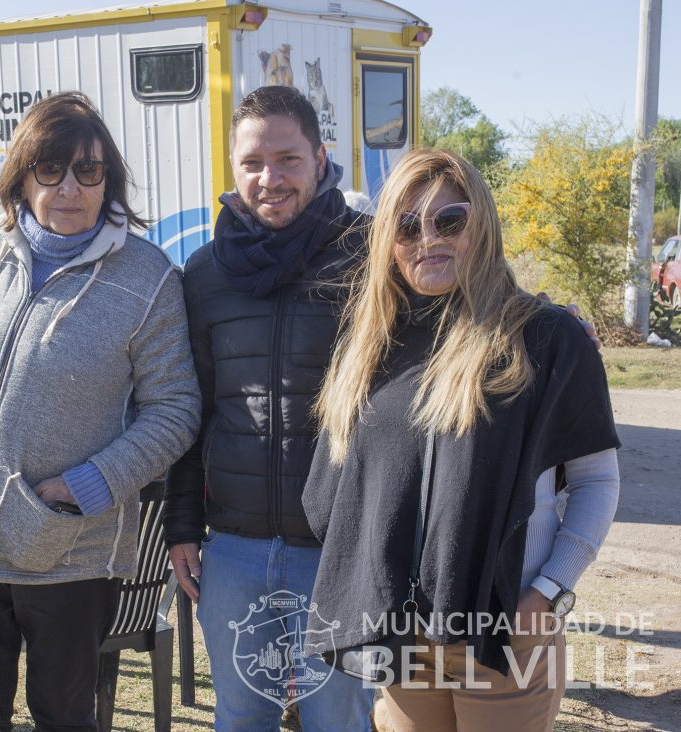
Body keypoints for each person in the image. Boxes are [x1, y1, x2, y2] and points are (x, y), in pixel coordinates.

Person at [0, 91, 201, 732]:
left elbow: (174, 410)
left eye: (88, 172)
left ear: (107, 180)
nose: (69, 188)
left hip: (66, 546)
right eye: (50, 169)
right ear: (22, 176)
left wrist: (87, 487)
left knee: (64, 719)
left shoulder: (147, 279)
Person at [304, 148, 620, 731]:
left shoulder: (545, 338)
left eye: (450, 219)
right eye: (406, 224)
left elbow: (596, 480)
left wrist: (548, 594)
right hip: (401, 639)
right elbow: (333, 496)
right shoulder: (370, 349)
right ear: (387, 243)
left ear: (483, 225)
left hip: (504, 634)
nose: (427, 237)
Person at [164, 85, 377, 732]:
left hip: (341, 550)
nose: (270, 178)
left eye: (287, 159)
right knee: (240, 721)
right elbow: (189, 407)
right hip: (232, 551)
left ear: (320, 156)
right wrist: (181, 527)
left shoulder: (371, 258)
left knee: (337, 722)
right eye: (253, 162)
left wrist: (550, 322)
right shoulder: (203, 276)